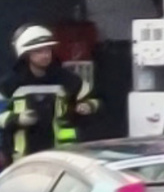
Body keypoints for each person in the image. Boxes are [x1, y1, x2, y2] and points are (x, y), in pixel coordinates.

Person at [0, 24, 100, 164]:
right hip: (22, 158)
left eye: (48, 50)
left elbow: (94, 99)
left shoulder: (67, 80)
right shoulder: (9, 84)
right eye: (39, 51)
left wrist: (88, 105)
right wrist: (17, 119)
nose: (46, 55)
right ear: (26, 54)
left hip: (63, 155)